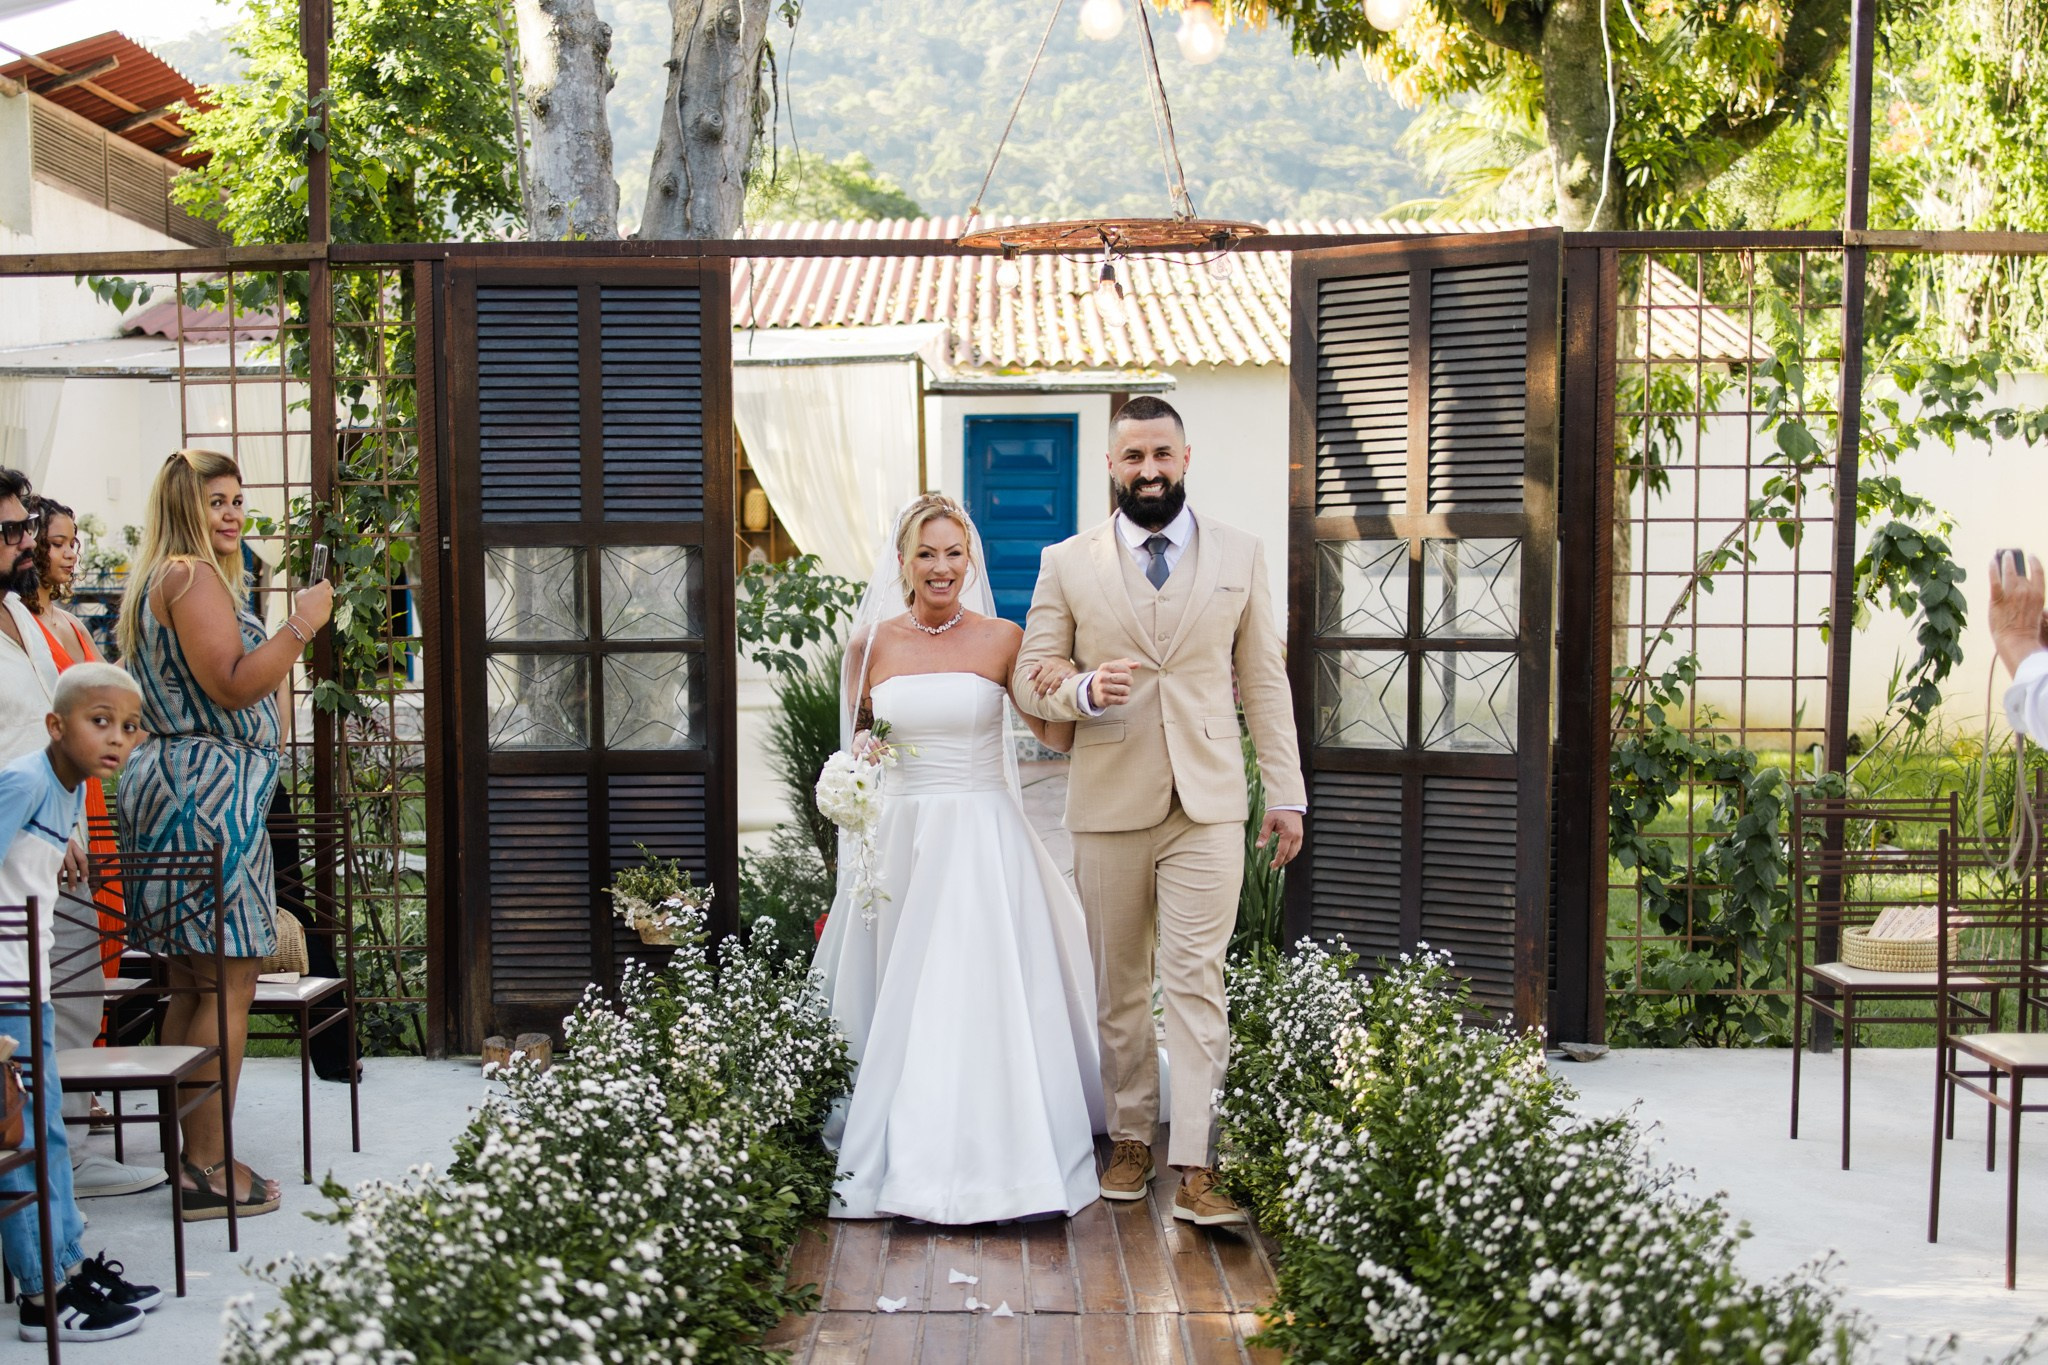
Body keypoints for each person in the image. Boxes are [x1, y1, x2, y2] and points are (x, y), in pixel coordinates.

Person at [1012, 394, 1306, 1228]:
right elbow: (1032, 668)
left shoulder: (1241, 554)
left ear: (1185, 459)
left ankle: (1199, 1162)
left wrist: (1285, 791)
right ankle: (1132, 1138)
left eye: (1161, 454)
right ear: (1111, 465)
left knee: (1196, 977)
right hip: (1108, 798)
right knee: (1120, 984)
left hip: (1207, 802)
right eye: (1133, 456)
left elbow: (1265, 679)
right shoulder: (1066, 561)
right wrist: (1080, 690)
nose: (1148, 470)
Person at [811, 494, 1106, 1224]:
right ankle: (904, 1135)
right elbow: (862, 742)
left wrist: (1079, 689)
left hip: (982, 838)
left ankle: (1000, 1147)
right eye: (926, 553)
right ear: (903, 561)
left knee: (976, 985)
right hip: (901, 841)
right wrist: (856, 774)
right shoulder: (869, 646)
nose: (941, 567)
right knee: (905, 990)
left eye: (953, 553)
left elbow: (1053, 736)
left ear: (970, 560)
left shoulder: (1005, 638)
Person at [115, 449, 332, 1220]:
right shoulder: (191, 576)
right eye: (217, 501)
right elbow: (234, 682)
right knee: (227, 980)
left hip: (187, 794)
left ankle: (193, 1160)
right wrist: (302, 624)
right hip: (209, 802)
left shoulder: (166, 578)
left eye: (238, 500)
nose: (233, 513)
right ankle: (206, 1167)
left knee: (192, 981)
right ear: (185, 506)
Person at [0, 476, 163, 1201]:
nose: (27, 542)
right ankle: (47, 1171)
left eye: (25, 529)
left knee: (72, 993)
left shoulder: (17, 610)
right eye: (12, 532)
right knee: (34, 1005)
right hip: (21, 841)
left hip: (63, 830)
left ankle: (67, 1154)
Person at [0, 662, 163, 1341]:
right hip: (4, 992)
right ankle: (43, 1296)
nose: (117, 737)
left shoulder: (64, 788)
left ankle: (67, 1265)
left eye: (129, 725)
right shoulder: (26, 781)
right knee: (25, 1139)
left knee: (50, 1134)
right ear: (55, 725)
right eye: (100, 722)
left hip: (27, 985)